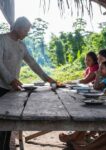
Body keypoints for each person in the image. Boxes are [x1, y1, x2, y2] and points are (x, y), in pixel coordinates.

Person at [0, 17, 56, 150]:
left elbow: (32, 63)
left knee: (9, 124)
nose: (26, 33)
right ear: (18, 28)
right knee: (1, 125)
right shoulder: (2, 40)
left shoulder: (21, 45)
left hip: (12, 90)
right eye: (26, 30)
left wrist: (46, 78)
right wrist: (11, 79)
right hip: (0, 88)